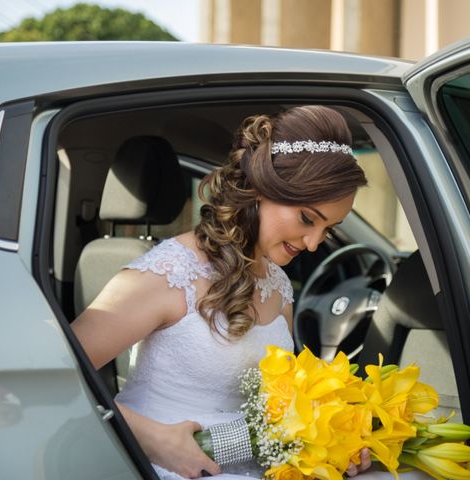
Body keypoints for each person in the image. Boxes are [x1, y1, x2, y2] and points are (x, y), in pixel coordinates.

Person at [71, 105, 429, 480]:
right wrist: (153, 439)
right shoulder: (166, 274)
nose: (312, 244)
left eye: (328, 229)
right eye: (307, 219)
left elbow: (275, 407)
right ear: (259, 190)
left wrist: (333, 438)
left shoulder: (279, 287)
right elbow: (60, 375)